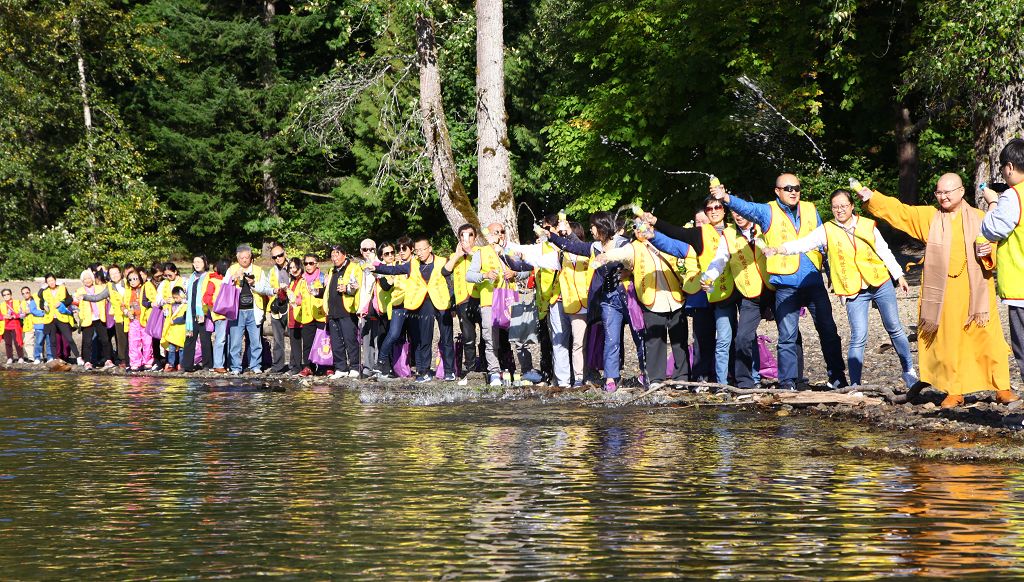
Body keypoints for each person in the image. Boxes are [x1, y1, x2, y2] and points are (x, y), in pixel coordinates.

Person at [859, 173, 1015, 407]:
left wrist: (987, 255)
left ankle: (1001, 386)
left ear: (961, 192)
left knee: (987, 338)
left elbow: (996, 249)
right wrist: (873, 198)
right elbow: (902, 212)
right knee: (949, 341)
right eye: (938, 193)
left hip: (976, 292)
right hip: (944, 293)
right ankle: (955, 389)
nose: (942, 197)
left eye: (947, 192)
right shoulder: (930, 217)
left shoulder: (981, 218)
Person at [765, 189, 917, 388]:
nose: (840, 210)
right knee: (858, 336)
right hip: (853, 288)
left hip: (879, 281)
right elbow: (803, 244)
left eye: (844, 206)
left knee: (894, 328)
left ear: (852, 206)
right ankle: (854, 385)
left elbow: (883, 250)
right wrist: (780, 249)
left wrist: (898, 274)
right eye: (835, 207)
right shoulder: (827, 230)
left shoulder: (867, 225)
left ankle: (909, 371)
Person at [713, 174, 849, 390]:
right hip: (785, 284)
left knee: (829, 332)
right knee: (787, 336)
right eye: (787, 188)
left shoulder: (810, 209)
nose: (793, 191)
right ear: (777, 191)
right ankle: (787, 382)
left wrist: (833, 273)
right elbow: (747, 209)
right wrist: (726, 198)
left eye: (796, 187)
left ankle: (838, 377)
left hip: (813, 280)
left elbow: (826, 241)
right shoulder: (768, 211)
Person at [592, 218, 687, 388]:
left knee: (679, 340)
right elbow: (620, 253)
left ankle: (682, 378)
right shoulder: (634, 247)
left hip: (675, 296)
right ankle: (656, 379)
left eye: (643, 225)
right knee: (654, 341)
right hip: (651, 299)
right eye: (635, 227)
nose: (639, 229)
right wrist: (605, 256)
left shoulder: (665, 241)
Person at [548, 212, 635, 392]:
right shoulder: (595, 246)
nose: (591, 229)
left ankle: (647, 374)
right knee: (611, 339)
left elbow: (631, 258)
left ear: (602, 227)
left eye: (593, 226)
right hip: (608, 299)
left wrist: (614, 261)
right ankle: (611, 377)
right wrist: (551, 236)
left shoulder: (622, 243)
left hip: (628, 295)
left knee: (638, 333)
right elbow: (572, 246)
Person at [698, 210, 773, 389]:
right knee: (742, 338)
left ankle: (792, 381)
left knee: (789, 336)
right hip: (749, 293)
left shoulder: (764, 227)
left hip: (773, 288)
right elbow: (719, 259)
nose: (738, 216)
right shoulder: (729, 234)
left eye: (741, 212)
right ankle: (745, 382)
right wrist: (708, 276)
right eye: (734, 213)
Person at [371, 236, 456, 383]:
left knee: (446, 338)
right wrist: (376, 267)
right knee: (424, 339)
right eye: (417, 250)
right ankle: (423, 372)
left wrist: (453, 303)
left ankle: (449, 371)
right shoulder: (413, 264)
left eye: (423, 249)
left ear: (430, 249)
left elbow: (450, 282)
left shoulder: (443, 261)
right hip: (423, 304)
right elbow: (394, 269)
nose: (420, 253)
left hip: (442, 302)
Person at [981, 138, 1024, 384]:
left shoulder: (1012, 197)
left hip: (1020, 287)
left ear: (1009, 167)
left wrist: (993, 202)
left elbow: (991, 229)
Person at [226, 244, 272, 375]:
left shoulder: (258, 270)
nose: (244, 260)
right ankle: (235, 367)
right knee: (235, 341)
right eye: (242, 258)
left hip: (254, 309)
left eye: (247, 257)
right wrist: (233, 278)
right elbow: (224, 287)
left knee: (255, 340)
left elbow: (265, 288)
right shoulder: (232, 269)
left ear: (251, 257)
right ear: (237, 257)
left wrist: (253, 284)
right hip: (237, 310)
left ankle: (255, 365)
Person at [445, 225, 483, 377]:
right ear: (459, 239)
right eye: (463, 236)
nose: (466, 239)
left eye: (470, 235)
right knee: (468, 337)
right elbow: (444, 272)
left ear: (475, 238)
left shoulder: (481, 253)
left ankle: (487, 367)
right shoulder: (455, 256)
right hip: (462, 300)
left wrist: (471, 252)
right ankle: (471, 369)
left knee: (486, 335)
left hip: (480, 298)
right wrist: (457, 255)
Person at [373, 237, 414, 378]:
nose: (391, 255)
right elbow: (385, 285)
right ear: (381, 256)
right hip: (393, 307)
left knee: (410, 337)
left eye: (392, 252)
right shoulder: (384, 268)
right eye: (387, 254)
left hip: (412, 303)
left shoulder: (406, 263)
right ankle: (383, 363)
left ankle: (409, 366)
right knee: (393, 335)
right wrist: (380, 269)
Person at [323, 245, 362, 379]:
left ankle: (355, 367)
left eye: (337, 254)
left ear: (344, 254)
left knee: (350, 340)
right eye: (332, 255)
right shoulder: (331, 270)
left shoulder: (353, 268)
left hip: (347, 310)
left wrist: (346, 288)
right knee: (336, 342)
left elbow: (357, 286)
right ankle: (340, 368)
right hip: (333, 311)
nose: (334, 258)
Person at [74, 269, 114, 370]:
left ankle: (108, 360)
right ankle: (87, 361)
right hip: (87, 319)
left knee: (105, 340)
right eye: (85, 279)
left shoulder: (100, 288)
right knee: (87, 341)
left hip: (100, 317)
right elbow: (75, 300)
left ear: (92, 279)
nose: (87, 280)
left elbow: (106, 297)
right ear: (82, 281)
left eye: (89, 278)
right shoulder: (79, 291)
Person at [294, 254, 327, 376]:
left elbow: (327, 295)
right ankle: (308, 366)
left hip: (321, 314)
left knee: (324, 342)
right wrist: (295, 301)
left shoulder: (323, 278)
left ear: (316, 264)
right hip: (307, 315)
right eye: (306, 263)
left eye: (311, 263)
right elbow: (298, 297)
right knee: (307, 343)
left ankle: (326, 366)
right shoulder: (302, 280)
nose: (308, 266)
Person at [182, 255, 213, 372]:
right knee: (189, 338)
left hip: (204, 313)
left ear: (205, 263)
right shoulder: (191, 277)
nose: (197, 264)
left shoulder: (208, 276)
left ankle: (207, 364)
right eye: (195, 262)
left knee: (205, 339)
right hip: (191, 313)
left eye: (199, 262)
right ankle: (187, 365)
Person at [41, 274, 80, 364]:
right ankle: (55, 359)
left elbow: (69, 300)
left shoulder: (62, 288)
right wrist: (44, 307)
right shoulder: (45, 291)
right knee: (53, 340)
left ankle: (78, 357)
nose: (51, 282)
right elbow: (41, 301)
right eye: (49, 281)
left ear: (55, 280)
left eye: (52, 280)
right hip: (51, 318)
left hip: (62, 317)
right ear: (46, 283)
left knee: (69, 338)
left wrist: (62, 303)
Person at [122, 268, 154, 371]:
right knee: (133, 342)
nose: (133, 281)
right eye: (130, 279)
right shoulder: (127, 292)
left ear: (140, 279)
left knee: (147, 341)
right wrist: (126, 312)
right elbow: (122, 305)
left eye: (135, 278)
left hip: (144, 319)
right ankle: (135, 362)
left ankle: (148, 361)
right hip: (133, 320)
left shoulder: (146, 287)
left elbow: (154, 299)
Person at [281, 258, 307, 375]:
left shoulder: (304, 280)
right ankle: (296, 366)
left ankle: (307, 366)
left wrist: (290, 293)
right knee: (294, 343)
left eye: (295, 267)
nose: (293, 270)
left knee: (305, 344)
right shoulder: (292, 282)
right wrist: (282, 291)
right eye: (290, 268)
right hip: (292, 316)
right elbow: (284, 298)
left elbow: (301, 299)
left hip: (304, 316)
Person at [203, 260, 229, 373]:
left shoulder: (228, 280)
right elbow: (206, 298)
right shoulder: (213, 281)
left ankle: (225, 363)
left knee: (227, 339)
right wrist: (216, 306)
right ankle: (218, 364)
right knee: (221, 339)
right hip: (220, 314)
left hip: (229, 313)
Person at [23, 286, 51, 363]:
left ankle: (49, 357)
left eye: (27, 292)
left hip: (48, 323)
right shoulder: (34, 299)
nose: (25, 294)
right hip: (38, 324)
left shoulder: (49, 298)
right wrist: (44, 313)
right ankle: (37, 357)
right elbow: (33, 310)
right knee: (38, 342)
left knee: (49, 342)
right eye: (23, 293)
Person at [162, 287, 188, 371]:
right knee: (171, 349)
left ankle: (181, 364)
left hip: (181, 331)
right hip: (173, 332)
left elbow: (184, 318)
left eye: (177, 297)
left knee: (182, 349)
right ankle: (171, 364)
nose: (176, 299)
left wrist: (175, 321)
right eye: (174, 298)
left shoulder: (185, 306)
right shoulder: (171, 305)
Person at [1, 288, 26, 363]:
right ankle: (10, 358)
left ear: (11, 294)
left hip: (15, 325)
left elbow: (23, 314)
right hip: (5, 326)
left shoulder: (17, 302)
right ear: (3, 296)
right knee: (7, 343)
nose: (6, 296)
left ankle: (21, 357)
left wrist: (14, 316)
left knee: (17, 341)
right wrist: (4, 317)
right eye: (4, 295)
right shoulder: (1, 305)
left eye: (8, 294)